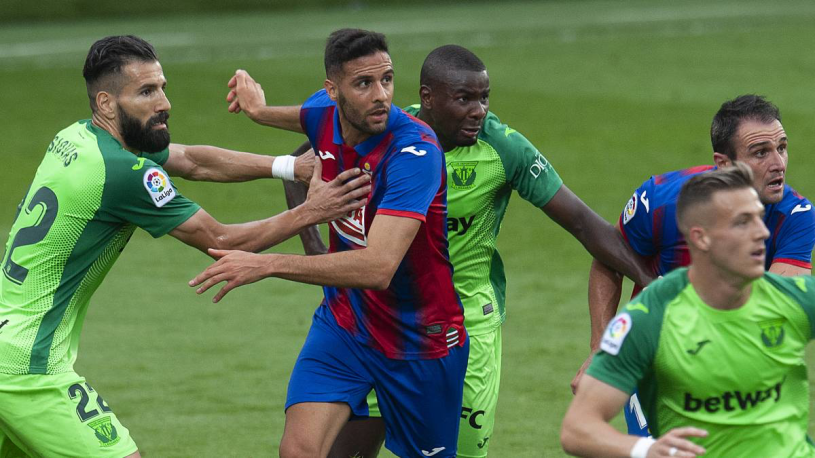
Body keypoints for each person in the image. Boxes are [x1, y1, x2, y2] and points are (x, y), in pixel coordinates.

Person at [273, 45, 655, 457]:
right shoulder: (386, 131)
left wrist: (655, 285)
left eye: (484, 98)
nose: (479, 112)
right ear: (428, 97)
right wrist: (317, 250)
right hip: (378, 322)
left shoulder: (503, 148)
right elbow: (300, 166)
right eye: (464, 99)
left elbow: (583, 223)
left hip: (464, 330)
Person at [0, 35, 369, 458]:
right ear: (106, 103)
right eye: (146, 92)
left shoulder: (77, 138)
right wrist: (311, 211)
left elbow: (192, 160)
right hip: (29, 366)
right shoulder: (122, 173)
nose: (164, 103)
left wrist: (290, 167)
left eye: (162, 87)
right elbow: (222, 240)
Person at [191, 29, 469, 458]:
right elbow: (301, 115)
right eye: (364, 83)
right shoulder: (323, 114)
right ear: (333, 91)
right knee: (298, 450)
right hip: (346, 324)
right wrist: (258, 111)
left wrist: (266, 264)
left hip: (418, 340)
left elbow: (378, 267)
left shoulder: (414, 152)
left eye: (387, 79)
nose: (381, 95)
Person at [572, 94, 815, 436]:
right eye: (761, 152)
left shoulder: (796, 217)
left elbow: (774, 308)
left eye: (782, 147)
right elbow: (608, 261)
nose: (778, 163)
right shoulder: (660, 201)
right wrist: (600, 349)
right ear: (724, 164)